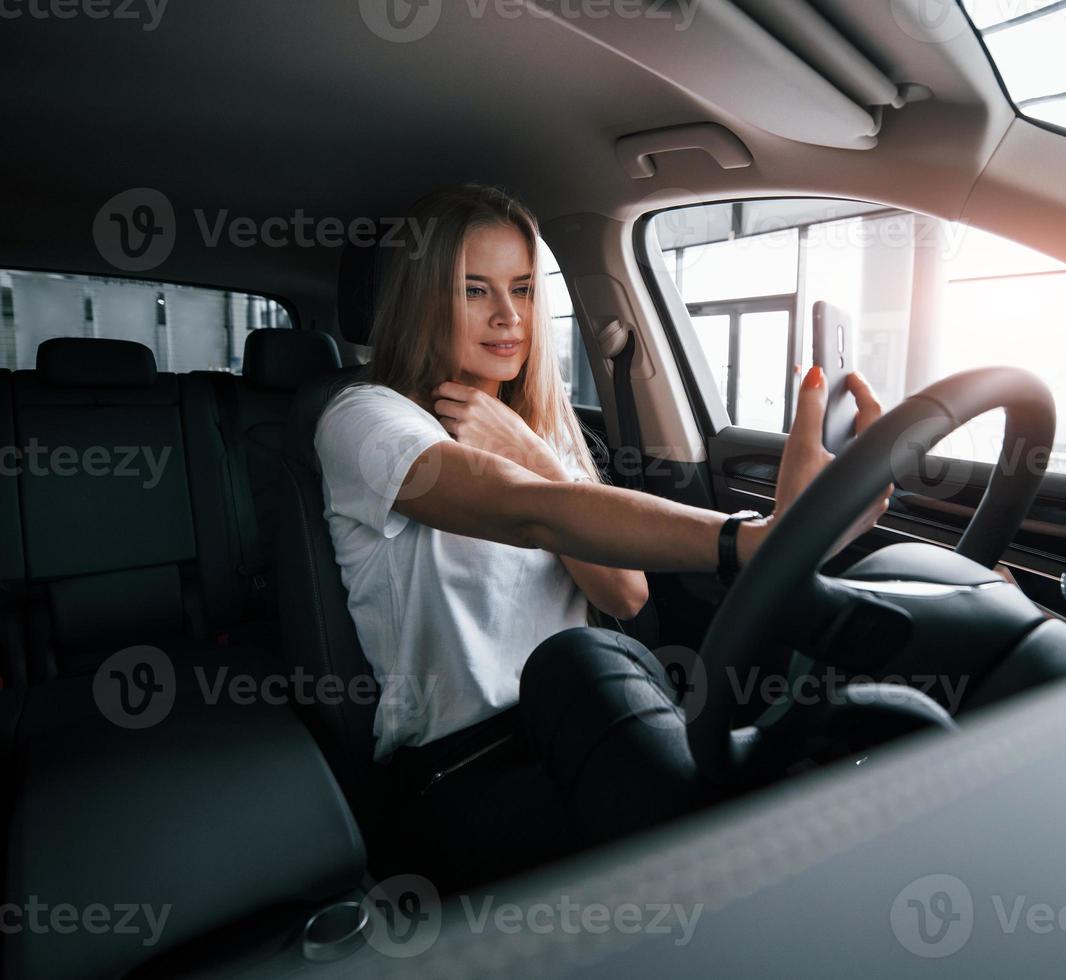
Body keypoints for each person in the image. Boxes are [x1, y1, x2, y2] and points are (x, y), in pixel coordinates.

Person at [314, 184, 886, 883]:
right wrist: (756, 540)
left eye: (523, 289)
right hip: (466, 766)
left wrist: (534, 449)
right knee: (625, 724)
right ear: (420, 299)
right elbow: (528, 509)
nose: (507, 317)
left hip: (593, 715)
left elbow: (623, 594)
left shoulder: (543, 431)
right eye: (473, 291)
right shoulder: (363, 418)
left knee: (817, 737)